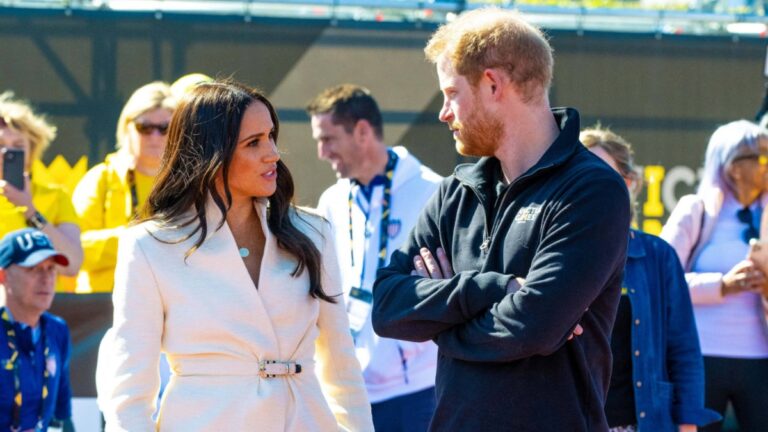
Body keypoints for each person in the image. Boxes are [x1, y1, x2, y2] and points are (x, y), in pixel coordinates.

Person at [371, 8, 631, 431]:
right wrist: (492, 288)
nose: (443, 112)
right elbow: (387, 309)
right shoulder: (457, 190)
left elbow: (532, 328)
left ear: (492, 84)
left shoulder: (592, 189)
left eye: (451, 93)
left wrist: (440, 322)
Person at [95, 79, 373, 431]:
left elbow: (342, 365)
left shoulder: (313, 232)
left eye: (271, 136)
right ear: (212, 151)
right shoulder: (150, 245)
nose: (272, 152)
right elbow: (129, 389)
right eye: (253, 143)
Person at [307, 84, 441, 431]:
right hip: (352, 387)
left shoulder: (432, 191)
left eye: (328, 139)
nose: (322, 153)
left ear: (362, 131)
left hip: (419, 385)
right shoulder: (332, 201)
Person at [582, 127, 720, 432]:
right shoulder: (555, 254)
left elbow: (683, 349)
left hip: (643, 423)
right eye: (577, 173)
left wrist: (687, 423)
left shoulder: (659, 256)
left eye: (599, 172)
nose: (587, 183)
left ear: (629, 184)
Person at [660, 120, 768, 432]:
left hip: (761, 362)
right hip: (700, 359)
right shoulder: (696, 210)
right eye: (760, 156)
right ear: (733, 166)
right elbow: (662, 281)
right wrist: (722, 285)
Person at [72, 81, 176, 294]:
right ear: (127, 127)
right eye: (144, 127)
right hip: (101, 309)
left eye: (164, 128)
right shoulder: (100, 178)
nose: (154, 136)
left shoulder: (187, 184)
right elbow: (73, 249)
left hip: (168, 304)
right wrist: (140, 238)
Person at [0, 92, 83, 279]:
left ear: (31, 150)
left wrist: (30, 211)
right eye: (0, 144)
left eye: (18, 145)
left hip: (42, 305)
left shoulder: (57, 196)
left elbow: (72, 264)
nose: (7, 152)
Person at [0, 228, 74, 431]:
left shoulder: (58, 330)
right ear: (3, 276)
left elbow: (62, 414)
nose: (46, 278)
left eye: (51, 268)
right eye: (34, 268)